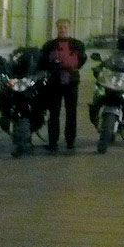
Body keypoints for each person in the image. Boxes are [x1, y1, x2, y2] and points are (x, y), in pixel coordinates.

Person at [39, 19, 87, 152]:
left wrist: (71, 68)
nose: (63, 29)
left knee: (71, 112)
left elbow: (82, 59)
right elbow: (43, 61)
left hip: (71, 81)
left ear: (69, 28)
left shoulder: (77, 44)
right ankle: (53, 141)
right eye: (60, 27)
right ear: (57, 28)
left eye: (65, 27)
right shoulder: (49, 45)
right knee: (54, 113)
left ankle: (70, 141)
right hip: (54, 83)